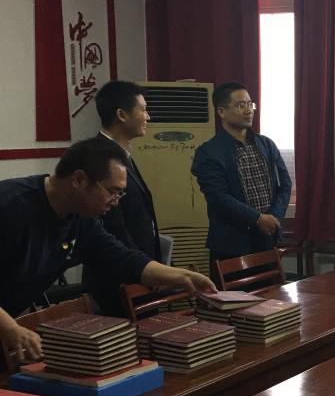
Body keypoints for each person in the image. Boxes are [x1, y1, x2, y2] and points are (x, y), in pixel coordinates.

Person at [0, 138, 216, 365]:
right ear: (79, 180)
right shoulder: (10, 207)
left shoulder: (79, 218)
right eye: (112, 191)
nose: (116, 202)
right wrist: (11, 328)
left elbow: (123, 259)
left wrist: (182, 276)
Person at [191, 82, 292, 276]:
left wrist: (273, 217)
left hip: (267, 240)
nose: (248, 110)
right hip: (232, 245)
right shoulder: (209, 152)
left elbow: (285, 184)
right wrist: (257, 219)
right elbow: (218, 197)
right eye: (240, 105)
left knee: (273, 294)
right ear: (221, 111)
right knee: (234, 295)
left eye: (250, 104)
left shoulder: (266, 144)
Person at [82, 81, 160, 316]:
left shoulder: (121, 153)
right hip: (119, 277)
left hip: (137, 271)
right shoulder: (99, 156)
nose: (148, 116)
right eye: (143, 110)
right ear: (122, 115)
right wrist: (144, 268)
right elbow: (114, 226)